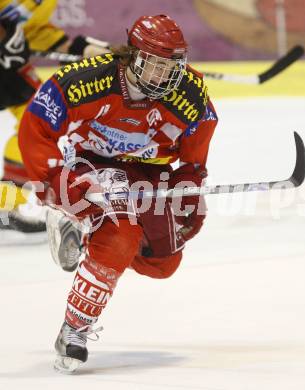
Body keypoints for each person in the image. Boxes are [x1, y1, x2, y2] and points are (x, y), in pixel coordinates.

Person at [19, 14, 218, 372]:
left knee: (162, 262)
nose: (164, 76)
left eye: (171, 67)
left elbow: (198, 137)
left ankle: (81, 235)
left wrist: (189, 182)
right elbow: (36, 124)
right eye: (154, 65)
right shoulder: (86, 80)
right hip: (89, 162)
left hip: (146, 170)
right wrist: (54, 180)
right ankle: (75, 328)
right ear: (132, 57)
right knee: (120, 235)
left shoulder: (189, 92)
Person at [0, 0, 110, 243]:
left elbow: (35, 30)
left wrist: (78, 49)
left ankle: (5, 204)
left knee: (35, 124)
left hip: (9, 70)